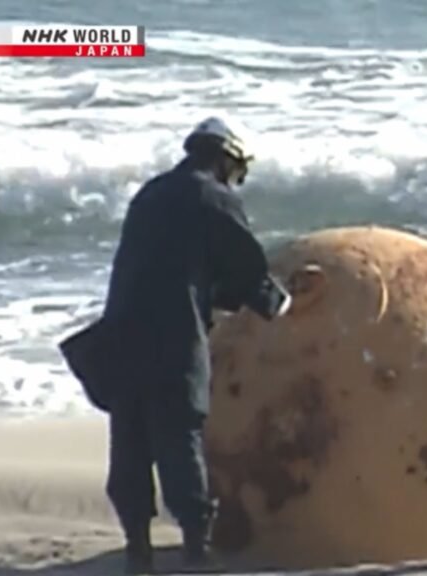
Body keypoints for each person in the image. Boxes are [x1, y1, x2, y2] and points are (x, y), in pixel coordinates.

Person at [62, 116, 292, 574]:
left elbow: (188, 269)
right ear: (226, 159)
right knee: (179, 436)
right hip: (173, 339)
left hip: (123, 335)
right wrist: (281, 303)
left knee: (130, 439)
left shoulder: (151, 193)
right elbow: (246, 270)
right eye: (239, 171)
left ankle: (138, 551)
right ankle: (195, 549)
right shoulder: (215, 198)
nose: (238, 180)